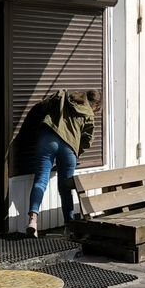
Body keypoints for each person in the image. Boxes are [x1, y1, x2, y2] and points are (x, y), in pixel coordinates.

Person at [24, 88, 101, 237]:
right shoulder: (88, 114)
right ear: (96, 105)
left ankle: (33, 221)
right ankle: (69, 227)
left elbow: (43, 106)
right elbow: (87, 140)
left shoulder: (65, 99)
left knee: (41, 180)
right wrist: (76, 151)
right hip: (69, 148)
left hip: (48, 139)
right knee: (65, 188)